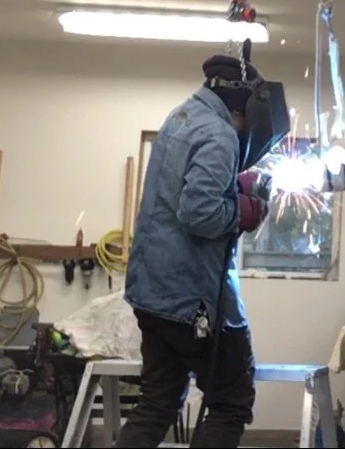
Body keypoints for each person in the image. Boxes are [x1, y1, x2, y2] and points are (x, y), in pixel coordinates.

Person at [117, 54, 272, 449]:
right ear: (242, 107)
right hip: (194, 304)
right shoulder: (220, 134)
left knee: (156, 403)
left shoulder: (181, 117)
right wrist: (242, 210)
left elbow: (180, 193)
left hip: (152, 296)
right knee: (230, 403)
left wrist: (230, 187)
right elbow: (199, 213)